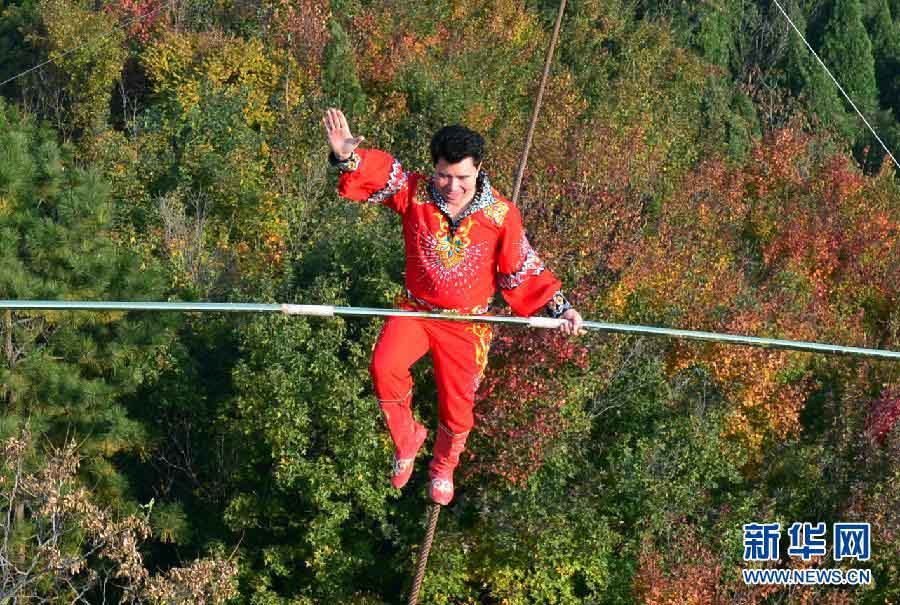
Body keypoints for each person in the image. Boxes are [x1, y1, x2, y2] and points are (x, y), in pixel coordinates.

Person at [322, 108, 584, 505]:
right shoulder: (415, 195)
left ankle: (444, 466)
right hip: (416, 310)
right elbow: (383, 173)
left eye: (463, 177)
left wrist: (561, 310)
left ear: (479, 169)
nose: (453, 186)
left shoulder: (500, 215)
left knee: (458, 408)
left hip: (468, 323)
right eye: (444, 175)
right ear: (434, 169)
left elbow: (522, 268)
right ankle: (407, 437)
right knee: (383, 366)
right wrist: (347, 157)